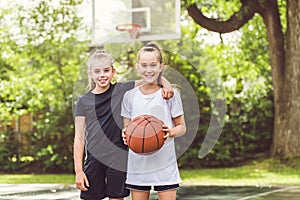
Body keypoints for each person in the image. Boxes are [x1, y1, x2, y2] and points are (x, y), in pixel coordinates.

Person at [73, 49, 174, 200]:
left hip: (117, 157)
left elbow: (150, 79)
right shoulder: (83, 101)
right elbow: (79, 138)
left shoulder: (120, 90)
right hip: (94, 159)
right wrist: (79, 171)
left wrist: (167, 86)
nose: (102, 75)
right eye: (97, 71)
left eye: (106, 70)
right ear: (90, 74)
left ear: (113, 71)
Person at [121, 42, 186, 200]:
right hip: (138, 165)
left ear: (160, 66)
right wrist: (126, 135)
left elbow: (182, 127)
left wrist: (170, 132)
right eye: (144, 65)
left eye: (153, 65)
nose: (148, 70)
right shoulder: (129, 96)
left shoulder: (170, 94)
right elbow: (127, 129)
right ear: (137, 67)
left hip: (164, 164)